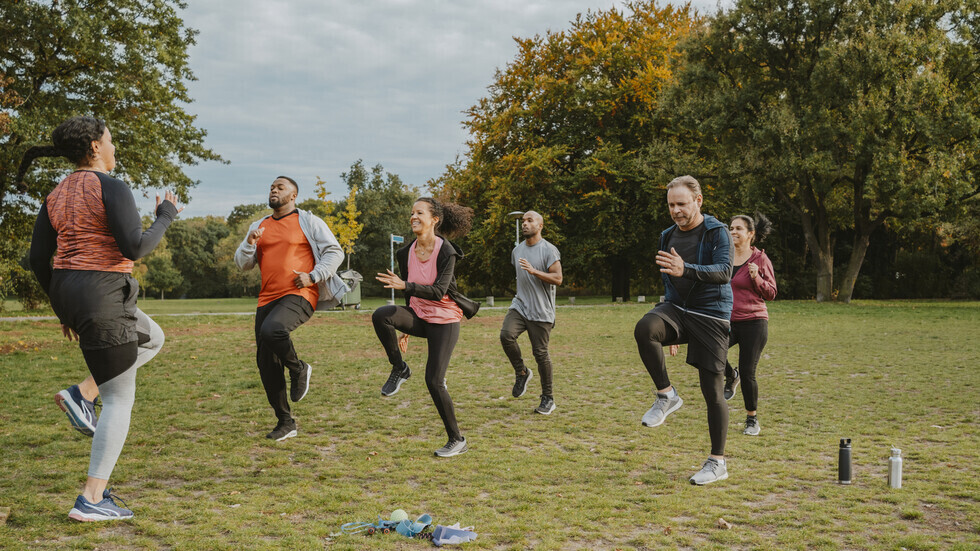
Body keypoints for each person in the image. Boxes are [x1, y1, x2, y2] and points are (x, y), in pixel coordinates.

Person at [24, 115, 180, 520]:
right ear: (94, 146)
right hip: (103, 295)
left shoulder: (55, 194)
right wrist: (165, 215)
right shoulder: (112, 187)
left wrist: (64, 307)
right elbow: (134, 247)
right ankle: (92, 499)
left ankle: (83, 393)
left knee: (153, 337)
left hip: (73, 293)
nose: (114, 148)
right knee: (120, 400)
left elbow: (38, 259)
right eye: (110, 141)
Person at [633, 175, 734, 485]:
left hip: (711, 314)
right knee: (646, 328)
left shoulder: (717, 233)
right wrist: (669, 326)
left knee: (712, 391)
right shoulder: (667, 235)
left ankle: (717, 461)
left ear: (698, 201)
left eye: (681, 204)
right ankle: (666, 395)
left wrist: (686, 269)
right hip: (678, 309)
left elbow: (724, 272)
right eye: (670, 205)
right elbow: (670, 280)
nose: (675, 210)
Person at [234, 176, 347, 441]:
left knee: (273, 330)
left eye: (280, 187)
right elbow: (243, 264)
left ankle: (298, 368)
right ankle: (286, 422)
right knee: (266, 364)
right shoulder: (258, 225)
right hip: (267, 299)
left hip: (300, 293)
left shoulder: (308, 221)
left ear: (293, 195)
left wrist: (314, 276)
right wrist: (250, 243)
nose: (273, 190)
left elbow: (335, 251)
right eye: (271, 186)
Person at [373, 197, 479, 457]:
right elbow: (409, 296)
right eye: (412, 213)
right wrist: (404, 325)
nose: (413, 217)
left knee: (434, 380)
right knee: (381, 315)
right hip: (419, 315)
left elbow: (439, 291)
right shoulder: (404, 252)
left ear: (434, 219)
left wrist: (405, 285)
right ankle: (400, 368)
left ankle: (457, 440)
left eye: (419, 213)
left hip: (445, 320)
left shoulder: (446, 251)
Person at [499, 211, 563, 414]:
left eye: (530, 220)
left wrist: (535, 271)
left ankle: (548, 398)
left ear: (540, 225)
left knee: (540, 354)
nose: (525, 224)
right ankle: (522, 372)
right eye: (523, 221)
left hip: (541, 311)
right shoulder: (517, 251)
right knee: (506, 336)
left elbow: (558, 278)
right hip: (520, 306)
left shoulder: (549, 250)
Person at [724, 214, 777, 436]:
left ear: (750, 234)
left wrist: (756, 278)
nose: (733, 231)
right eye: (731, 228)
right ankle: (730, 375)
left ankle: (751, 419)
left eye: (738, 228)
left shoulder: (760, 259)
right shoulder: (724, 257)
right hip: (727, 320)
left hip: (754, 322)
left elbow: (772, 293)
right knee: (706, 351)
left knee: (748, 371)